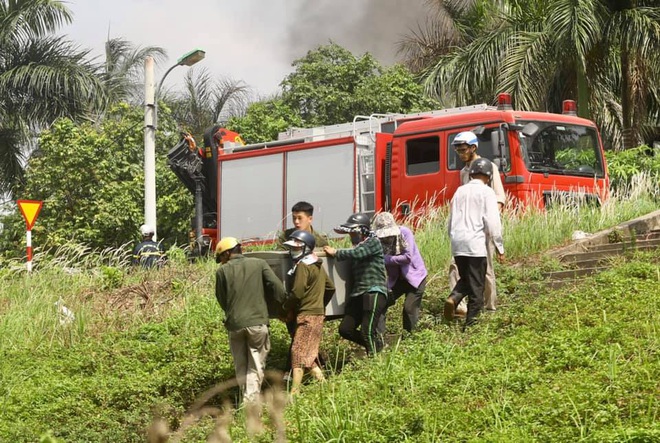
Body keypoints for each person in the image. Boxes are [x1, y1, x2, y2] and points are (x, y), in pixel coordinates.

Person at [214, 237, 286, 402]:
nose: (221, 262)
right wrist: (283, 307)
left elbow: (222, 299)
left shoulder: (222, 272)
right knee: (255, 365)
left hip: (235, 325)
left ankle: (246, 400)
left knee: (241, 365)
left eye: (221, 258)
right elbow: (277, 288)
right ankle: (251, 405)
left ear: (227, 253)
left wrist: (233, 313)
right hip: (257, 323)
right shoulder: (258, 264)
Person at [448, 131, 506, 315]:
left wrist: (491, 229)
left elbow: (498, 197)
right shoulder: (464, 172)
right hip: (464, 231)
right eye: (458, 151)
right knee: (454, 267)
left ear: (473, 148)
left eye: (463, 150)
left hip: (483, 227)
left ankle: (490, 306)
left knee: (485, 269)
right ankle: (459, 306)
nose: (461, 154)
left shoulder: (489, 168)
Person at [323, 213, 388, 355]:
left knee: (367, 331)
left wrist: (336, 252)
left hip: (374, 292)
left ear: (363, 231)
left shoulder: (373, 242)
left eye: (354, 232)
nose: (351, 235)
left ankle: (375, 362)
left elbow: (357, 253)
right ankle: (377, 345)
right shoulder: (358, 246)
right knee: (345, 329)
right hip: (358, 294)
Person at [282, 230, 335, 395]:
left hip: (306, 314)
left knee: (297, 351)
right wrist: (320, 305)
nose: (293, 252)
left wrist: (285, 307)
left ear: (306, 248)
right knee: (308, 354)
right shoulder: (317, 264)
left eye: (297, 249)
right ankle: (326, 387)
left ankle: (294, 392)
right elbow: (330, 288)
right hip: (317, 314)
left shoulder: (303, 266)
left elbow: (297, 292)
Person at [371, 212, 428, 335]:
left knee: (409, 309)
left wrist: (384, 259)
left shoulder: (404, 233)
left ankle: (410, 340)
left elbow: (407, 257)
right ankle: (379, 339)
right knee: (381, 304)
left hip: (415, 277)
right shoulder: (377, 239)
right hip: (396, 280)